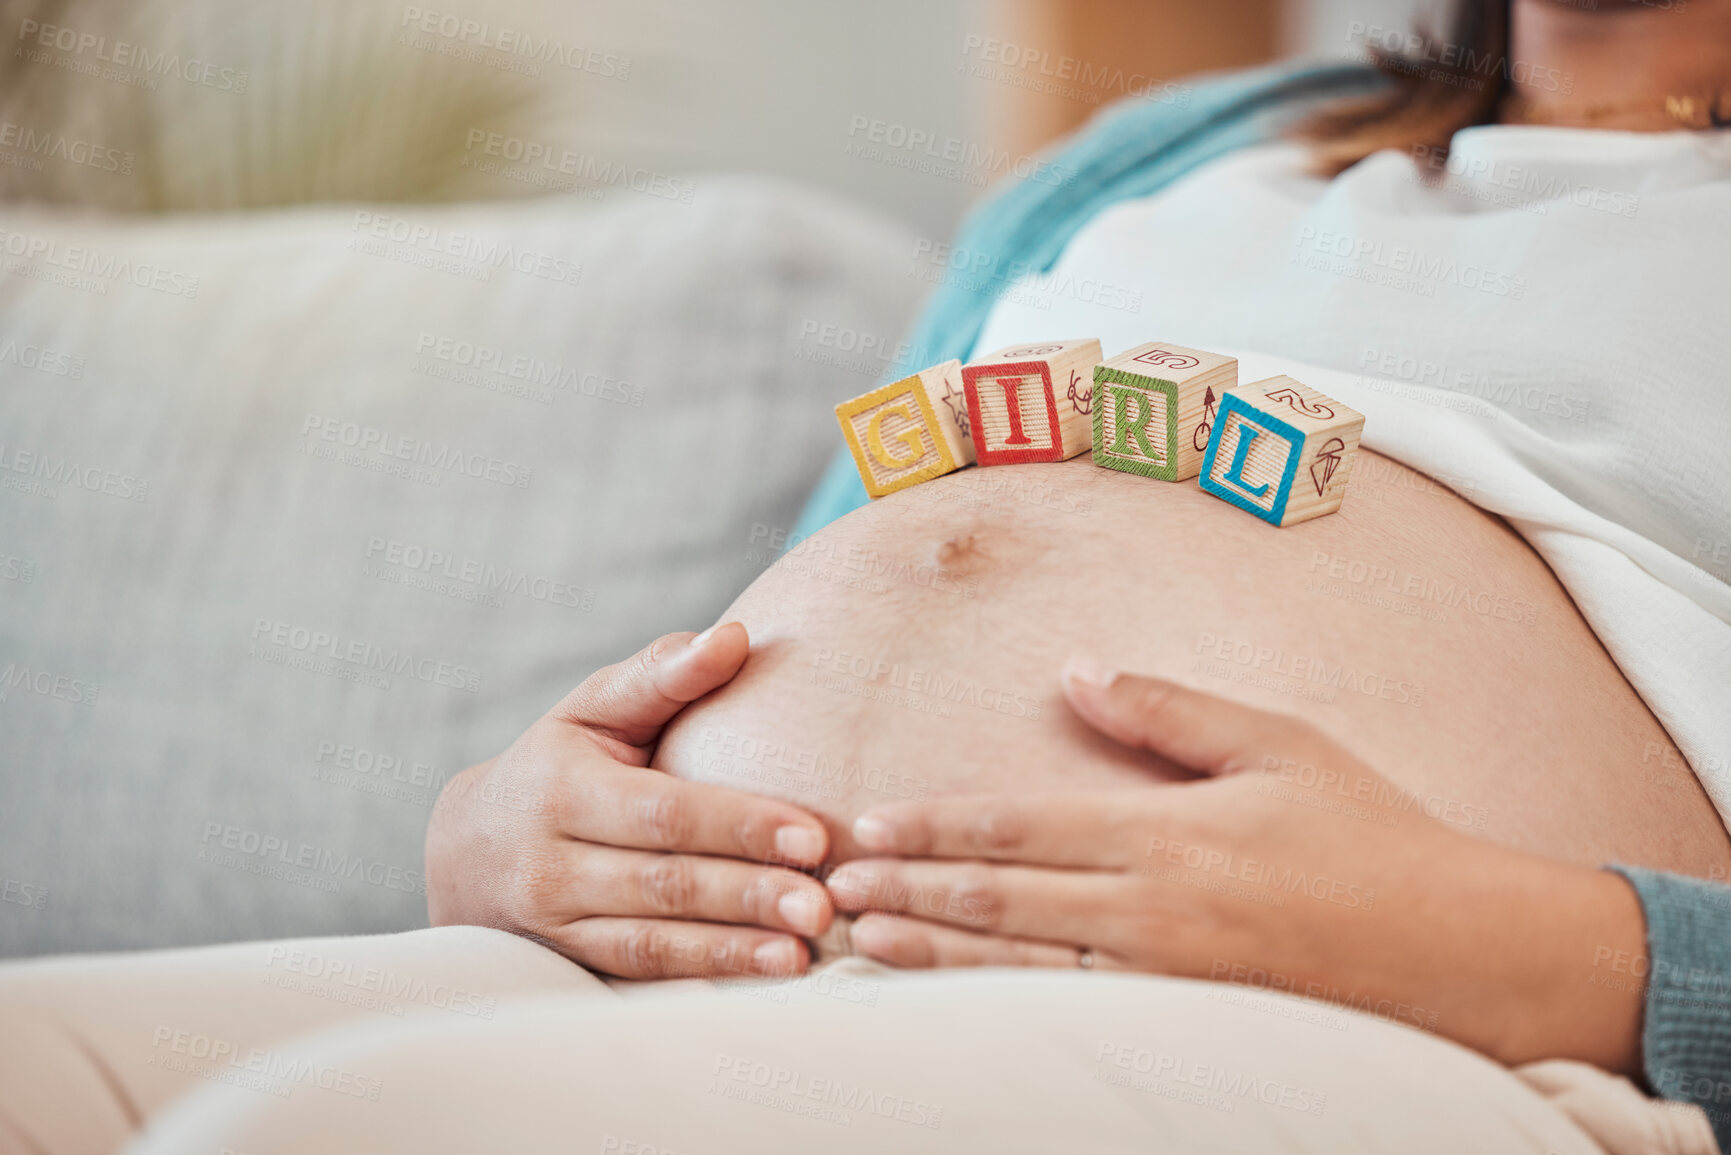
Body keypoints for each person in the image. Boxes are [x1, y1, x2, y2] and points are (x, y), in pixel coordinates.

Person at [4, 0, 1730, 1151]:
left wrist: (1565, 955)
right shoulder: (1167, 160)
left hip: (1427, 1045)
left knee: (324, 1136)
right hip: (745, 955)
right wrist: (507, 825)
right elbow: (853, 574)